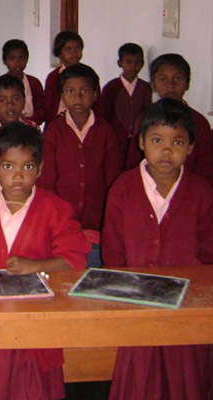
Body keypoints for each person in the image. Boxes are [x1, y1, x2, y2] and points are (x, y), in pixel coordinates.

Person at [0, 122, 90, 400]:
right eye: (7, 167)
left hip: (35, 315)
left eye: (27, 167)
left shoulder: (55, 208)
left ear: (39, 169)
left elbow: (74, 259)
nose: (17, 176)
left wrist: (34, 266)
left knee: (33, 387)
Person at [102, 98, 213, 400]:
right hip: (136, 305)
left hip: (187, 308)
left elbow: (208, 254)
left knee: (186, 379)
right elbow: (113, 251)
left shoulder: (202, 192)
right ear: (141, 142)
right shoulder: (123, 187)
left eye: (178, 141)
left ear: (191, 147)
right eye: (157, 140)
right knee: (138, 379)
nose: (166, 150)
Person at [38, 64, 122, 267]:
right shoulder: (53, 131)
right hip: (61, 220)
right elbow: (47, 180)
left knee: (93, 268)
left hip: (97, 220)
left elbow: (112, 179)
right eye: (70, 91)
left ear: (95, 94)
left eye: (84, 91)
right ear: (62, 96)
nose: (77, 98)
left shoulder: (105, 131)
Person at [126, 53, 213, 186]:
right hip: (148, 191)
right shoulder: (144, 119)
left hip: (188, 193)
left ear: (187, 84)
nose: (171, 85)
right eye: (163, 79)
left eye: (178, 79)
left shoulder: (199, 123)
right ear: (153, 85)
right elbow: (133, 162)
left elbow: (206, 170)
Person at [102, 42, 152, 161]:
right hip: (116, 138)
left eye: (138, 63)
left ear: (143, 64)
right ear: (120, 63)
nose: (133, 67)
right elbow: (106, 114)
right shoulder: (111, 87)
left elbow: (147, 113)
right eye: (128, 62)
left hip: (137, 138)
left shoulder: (145, 88)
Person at [44, 31, 103, 126]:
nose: (74, 52)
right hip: (58, 123)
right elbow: (49, 106)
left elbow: (98, 103)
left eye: (77, 48)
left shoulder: (89, 74)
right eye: (68, 49)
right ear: (60, 53)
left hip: (85, 121)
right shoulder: (53, 77)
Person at [2, 39, 46, 125]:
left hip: (31, 127)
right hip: (6, 128)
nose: (17, 62)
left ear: (27, 59)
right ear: (5, 61)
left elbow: (41, 110)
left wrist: (27, 123)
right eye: (12, 58)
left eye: (21, 58)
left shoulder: (34, 83)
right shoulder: (0, 84)